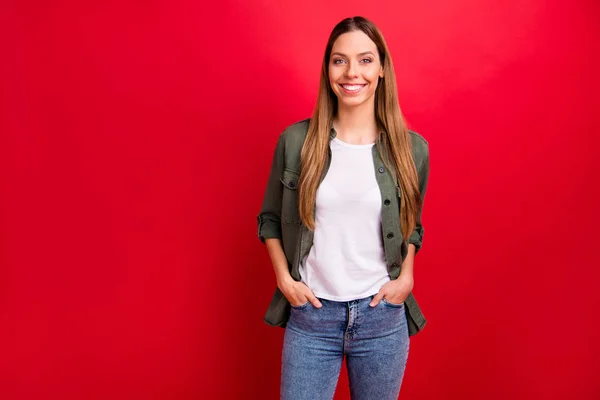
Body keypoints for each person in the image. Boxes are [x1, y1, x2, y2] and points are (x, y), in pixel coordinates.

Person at [257, 16, 430, 400]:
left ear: (382, 68)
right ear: (327, 68)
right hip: (312, 318)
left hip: (382, 320)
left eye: (366, 60)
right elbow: (269, 219)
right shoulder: (296, 142)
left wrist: (407, 278)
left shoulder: (411, 149)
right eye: (340, 60)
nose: (353, 72)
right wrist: (285, 279)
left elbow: (411, 226)